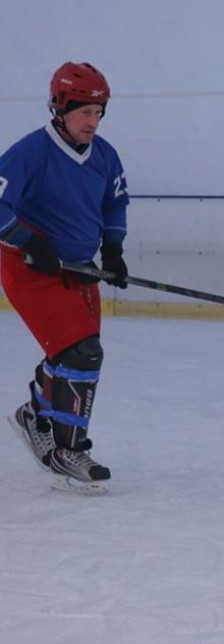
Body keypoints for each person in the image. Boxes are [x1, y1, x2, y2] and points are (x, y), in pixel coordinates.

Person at [1, 61, 129, 494]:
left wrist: (112, 250)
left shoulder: (105, 155)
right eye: (85, 112)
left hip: (79, 269)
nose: (93, 121)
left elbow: (115, 205)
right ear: (60, 108)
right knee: (82, 352)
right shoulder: (30, 153)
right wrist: (25, 240)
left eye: (99, 112)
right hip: (31, 267)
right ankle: (66, 452)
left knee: (71, 356)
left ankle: (33, 415)